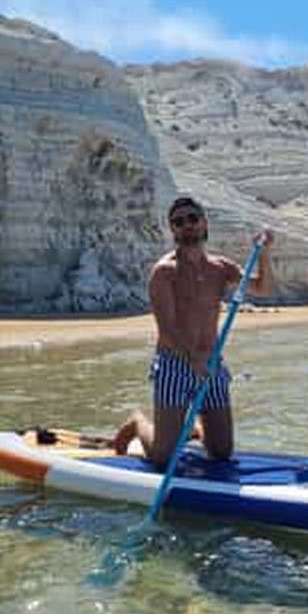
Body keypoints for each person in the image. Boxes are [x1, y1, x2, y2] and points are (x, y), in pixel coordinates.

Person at [113, 195, 274, 467]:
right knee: (163, 458)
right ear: (172, 230)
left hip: (211, 365)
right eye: (178, 222)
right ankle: (138, 422)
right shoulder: (164, 272)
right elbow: (166, 328)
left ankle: (191, 429)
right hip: (174, 364)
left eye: (192, 218)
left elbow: (263, 288)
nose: (187, 225)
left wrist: (265, 254)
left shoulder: (220, 268)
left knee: (221, 453)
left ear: (204, 223)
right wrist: (193, 359)